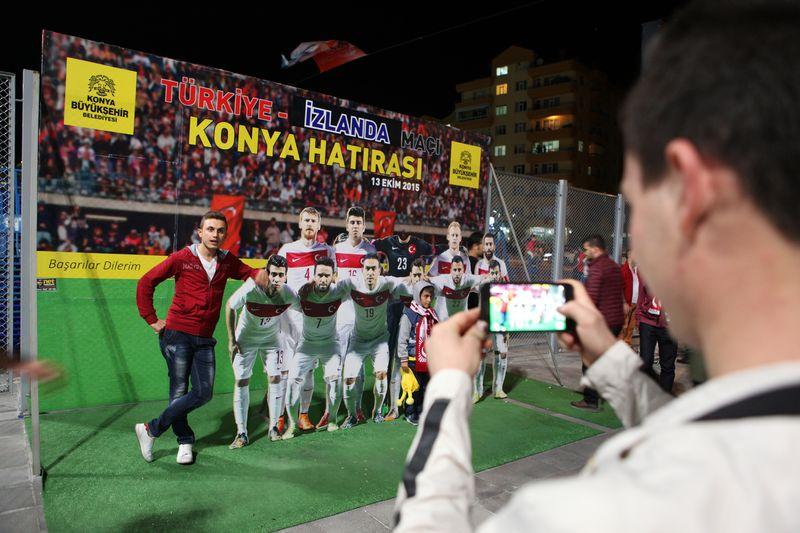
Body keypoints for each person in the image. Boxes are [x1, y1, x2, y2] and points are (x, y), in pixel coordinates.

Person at [392, 1, 800, 530]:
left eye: (633, 201)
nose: (632, 234)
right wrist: (611, 361)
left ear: (688, 193)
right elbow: (702, 434)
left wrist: (447, 390)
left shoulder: (601, 511)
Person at [134, 211, 269, 465]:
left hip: (204, 339)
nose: (215, 235)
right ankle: (184, 442)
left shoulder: (227, 261)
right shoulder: (182, 258)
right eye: (210, 229)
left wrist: (259, 275)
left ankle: (150, 429)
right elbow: (146, 282)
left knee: (204, 392)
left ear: (224, 234)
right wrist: (151, 319)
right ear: (200, 232)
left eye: (220, 231)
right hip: (177, 335)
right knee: (179, 391)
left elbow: (247, 271)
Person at [224, 254, 297, 445]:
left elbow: (305, 311)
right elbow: (230, 306)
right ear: (267, 272)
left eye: (281, 275)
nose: (276, 279)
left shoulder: (289, 294)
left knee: (276, 377)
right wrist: (232, 340)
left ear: (286, 276)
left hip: (271, 339)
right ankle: (241, 433)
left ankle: (273, 427)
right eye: (273, 274)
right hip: (245, 339)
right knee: (241, 381)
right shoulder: (252, 287)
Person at [277, 207, 335, 430]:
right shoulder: (287, 250)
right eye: (306, 220)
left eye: (314, 220)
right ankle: (280, 415)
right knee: (285, 369)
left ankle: (303, 414)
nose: (310, 224)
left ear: (319, 226)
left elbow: (332, 280)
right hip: (289, 317)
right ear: (300, 224)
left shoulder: (327, 252)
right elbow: (277, 282)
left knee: (308, 368)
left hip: (313, 319)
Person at [340, 253, 411, 427]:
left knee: (381, 374)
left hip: (379, 340)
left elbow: (408, 291)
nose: (370, 272)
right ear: (362, 271)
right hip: (357, 341)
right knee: (349, 380)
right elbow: (332, 290)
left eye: (374, 269)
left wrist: (417, 286)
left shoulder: (387, 284)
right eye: (367, 269)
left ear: (380, 270)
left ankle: (377, 411)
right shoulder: (351, 284)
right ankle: (351, 415)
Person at [373, 229, 435, 420]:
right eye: (414, 275)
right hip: (395, 321)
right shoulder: (400, 284)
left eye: (420, 275)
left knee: (413, 365)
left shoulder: (426, 289)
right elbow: (383, 280)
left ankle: (414, 403)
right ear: (411, 274)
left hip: (414, 335)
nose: (417, 279)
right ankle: (392, 406)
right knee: (395, 361)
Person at [330, 206, 375, 427]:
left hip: (363, 314)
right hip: (342, 314)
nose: (355, 226)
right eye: (352, 222)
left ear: (364, 226)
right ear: (346, 225)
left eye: (359, 222)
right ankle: (336, 409)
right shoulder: (336, 249)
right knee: (338, 363)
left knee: (358, 362)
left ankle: (356, 409)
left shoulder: (370, 251)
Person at [571, 234, 623, 412]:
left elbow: (591, 299)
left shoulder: (597, 268)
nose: (584, 253)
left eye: (586, 249)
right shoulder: (614, 266)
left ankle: (591, 400)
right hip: (615, 321)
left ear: (595, 249)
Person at [396, 281, 438, 425]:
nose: (429, 300)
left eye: (431, 296)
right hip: (413, 359)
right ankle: (409, 413)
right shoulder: (409, 314)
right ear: (417, 295)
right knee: (413, 387)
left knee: (426, 387)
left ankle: (421, 411)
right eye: (426, 296)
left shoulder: (432, 314)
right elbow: (402, 338)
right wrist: (403, 358)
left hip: (427, 359)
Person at [474, 260, 509, 402]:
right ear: (489, 272)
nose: (494, 275)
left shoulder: (505, 287)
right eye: (492, 272)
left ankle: (498, 388)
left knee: (502, 355)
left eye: (496, 272)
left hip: (500, 324)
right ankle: (477, 391)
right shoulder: (483, 284)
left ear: (500, 273)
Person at [636, 278, 677, 393]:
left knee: (667, 365)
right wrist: (639, 318)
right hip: (647, 321)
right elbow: (641, 293)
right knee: (646, 361)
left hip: (670, 326)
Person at [620, 250, 640, 346]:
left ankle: (627, 344)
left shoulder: (637, 270)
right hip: (627, 302)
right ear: (629, 256)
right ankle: (620, 346)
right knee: (624, 326)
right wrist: (623, 302)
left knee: (631, 327)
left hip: (636, 302)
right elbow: (619, 287)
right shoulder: (623, 270)